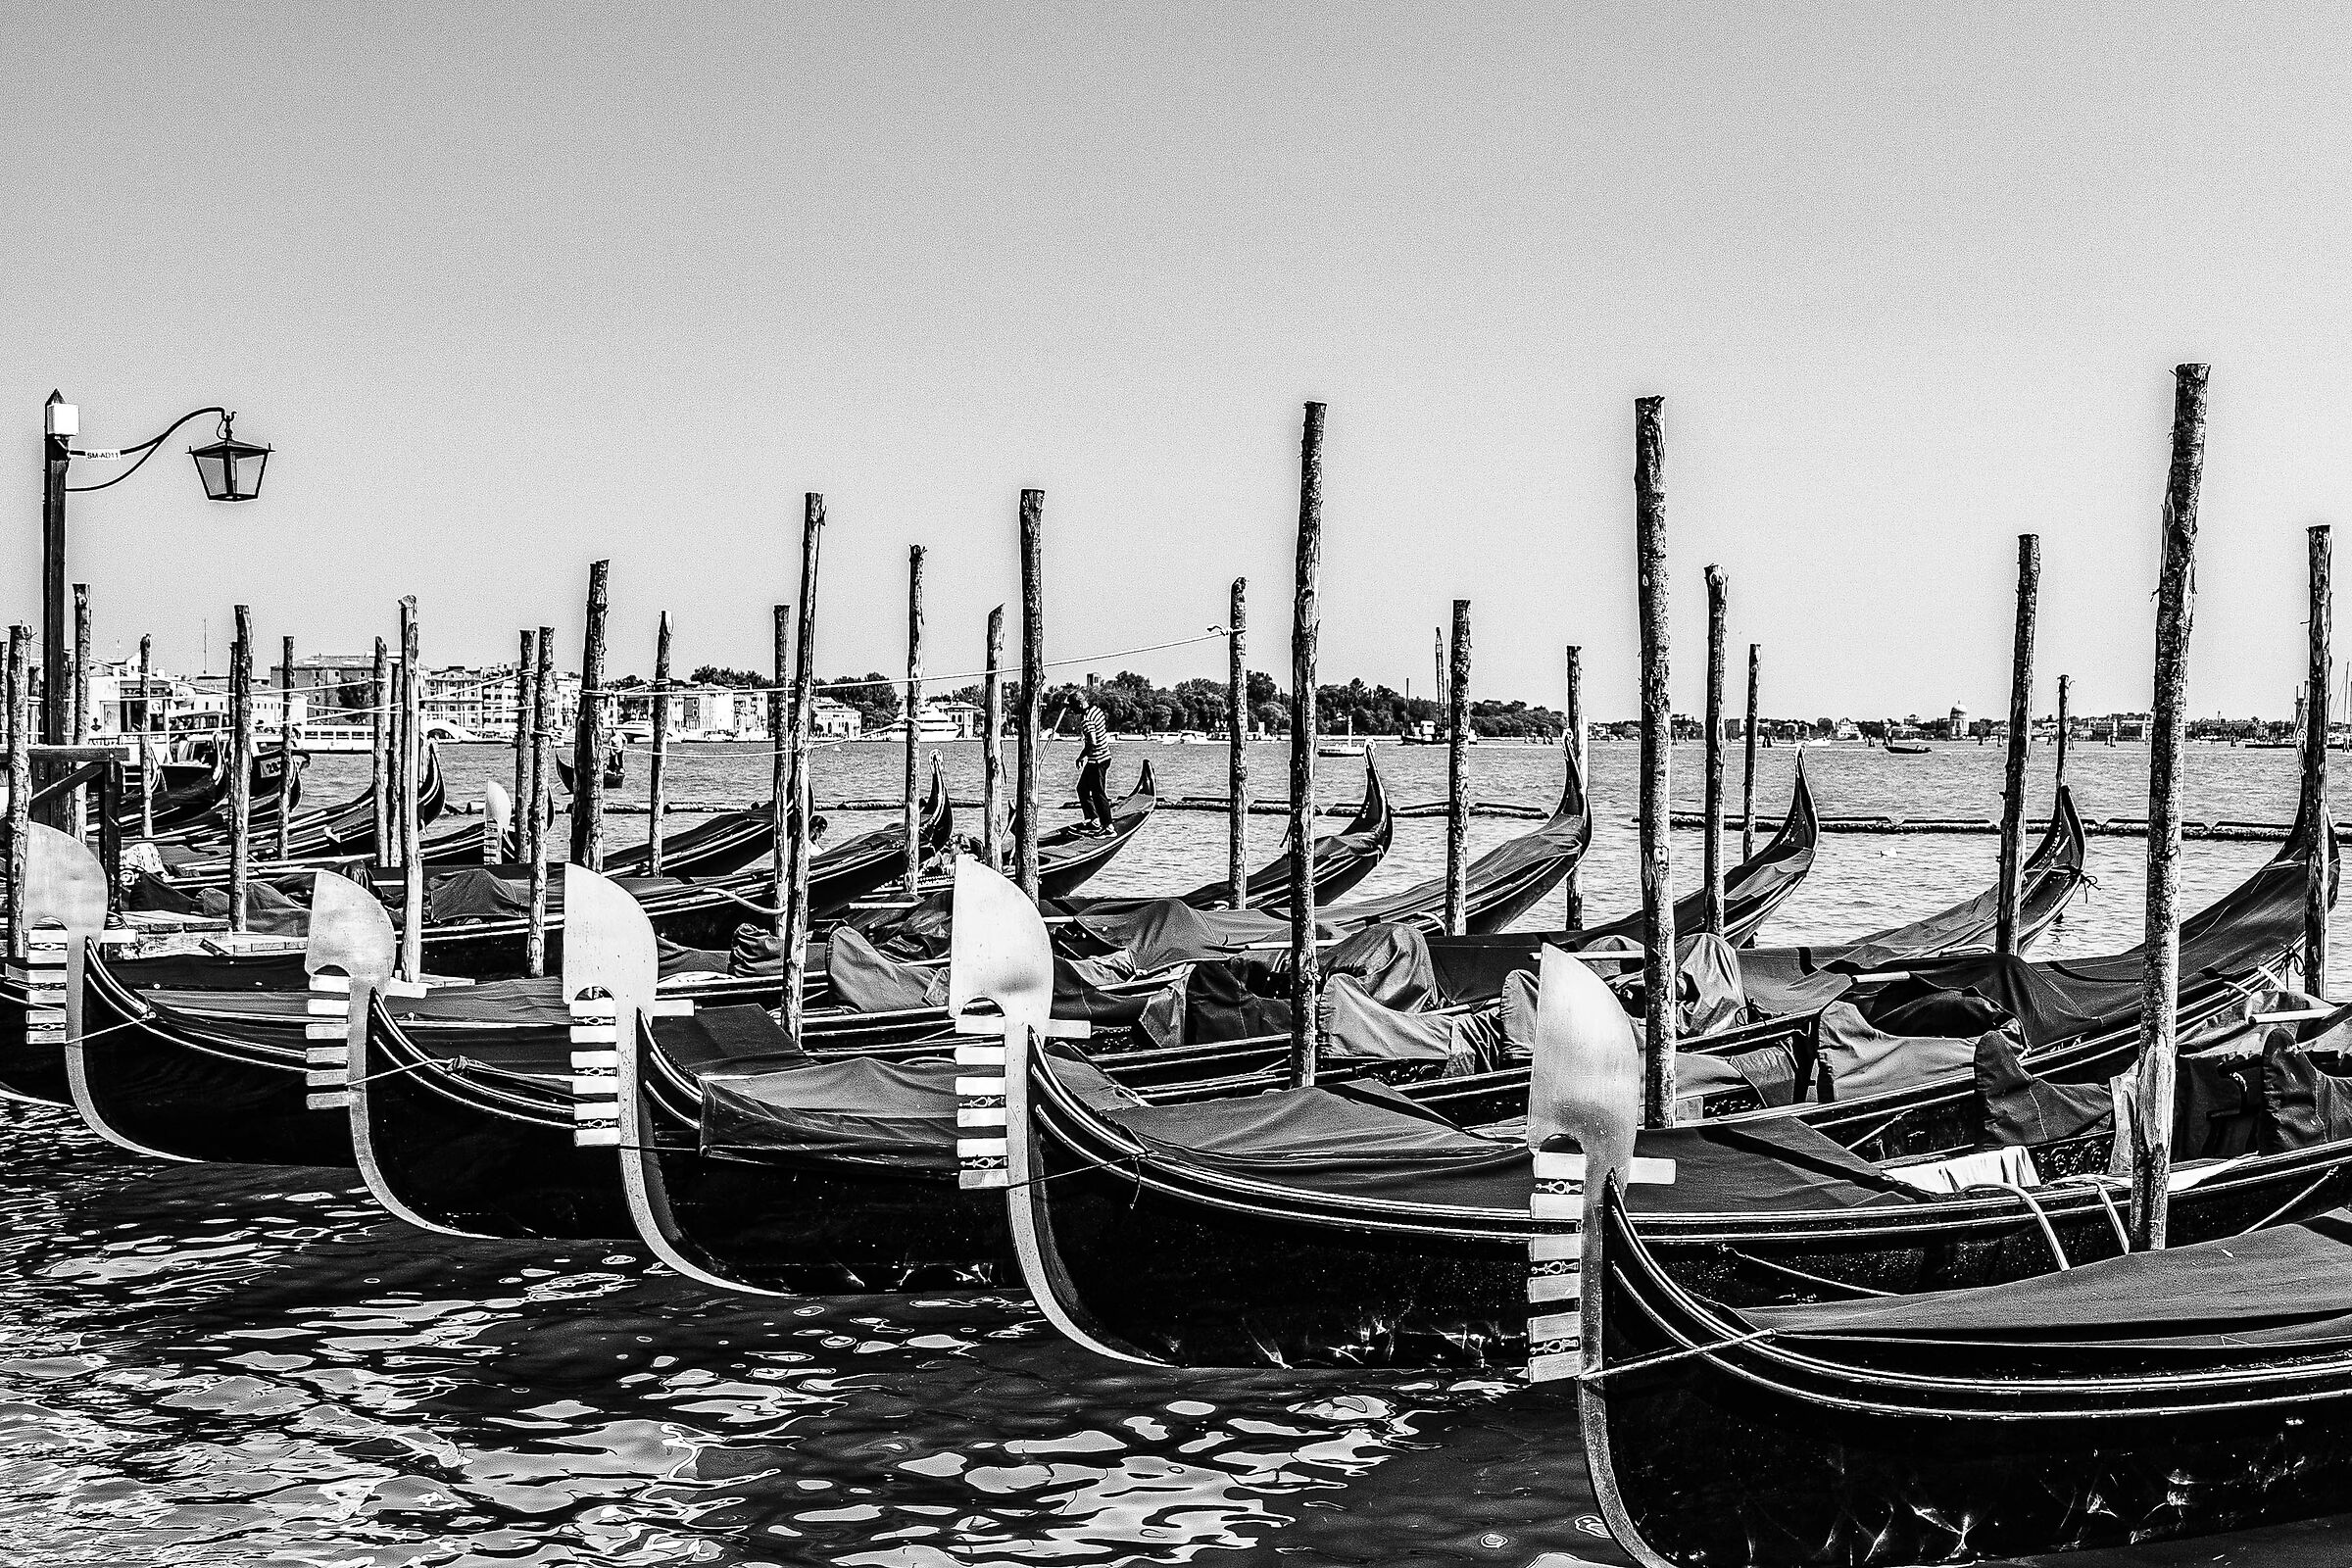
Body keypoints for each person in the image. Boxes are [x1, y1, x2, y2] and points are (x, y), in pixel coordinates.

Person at [1062, 689, 1115, 832]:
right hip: (1101, 758)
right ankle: (1094, 819)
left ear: (1079, 704)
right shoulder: (1096, 710)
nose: (1072, 710)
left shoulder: (1087, 719)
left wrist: (1081, 757)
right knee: (1082, 789)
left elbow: (1092, 742)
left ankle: (1108, 826)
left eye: (1073, 707)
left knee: (1098, 793)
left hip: (1098, 760)